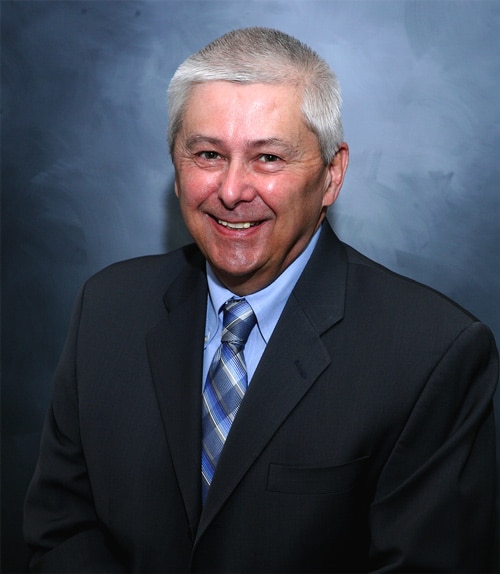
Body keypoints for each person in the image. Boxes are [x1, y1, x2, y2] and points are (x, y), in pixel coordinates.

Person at [24, 27, 498, 573]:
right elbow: (61, 528)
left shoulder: (432, 354)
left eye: (268, 157)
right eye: (208, 154)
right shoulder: (106, 309)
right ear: (176, 168)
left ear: (332, 174)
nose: (231, 191)